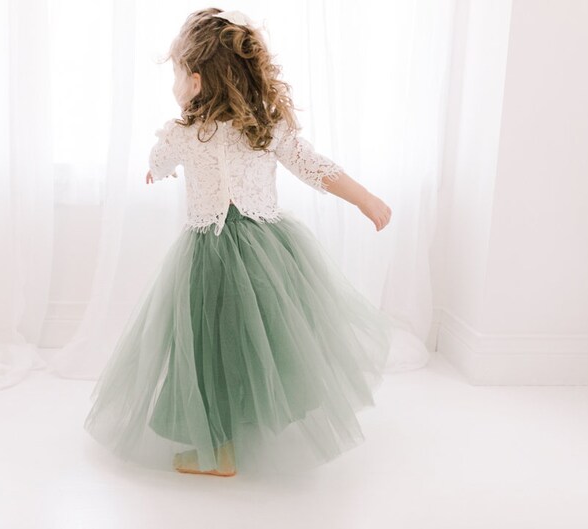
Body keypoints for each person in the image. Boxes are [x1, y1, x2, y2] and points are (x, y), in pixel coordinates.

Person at [84, 8, 395, 478]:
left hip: (209, 252)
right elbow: (313, 167)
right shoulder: (262, 125)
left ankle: (218, 448)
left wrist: (162, 158)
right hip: (264, 250)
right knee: (256, 337)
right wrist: (363, 197)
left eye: (176, 75)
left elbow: (160, 162)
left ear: (194, 81)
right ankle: (241, 427)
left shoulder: (185, 131)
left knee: (210, 344)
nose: (173, 84)